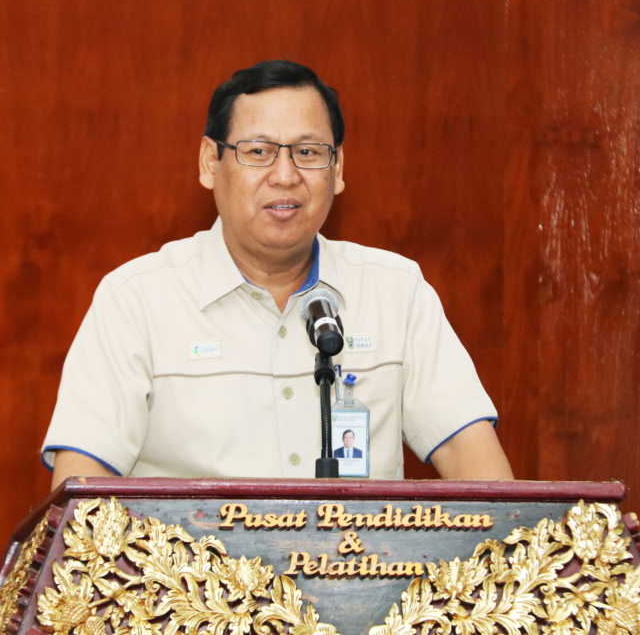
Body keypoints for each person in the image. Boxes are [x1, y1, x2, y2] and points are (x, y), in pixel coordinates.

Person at [43, 60, 513, 489]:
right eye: (258, 151)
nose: (285, 175)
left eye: (308, 151)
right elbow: (82, 496)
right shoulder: (136, 300)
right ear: (210, 162)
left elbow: (477, 467)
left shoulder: (396, 291)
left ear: (337, 168)